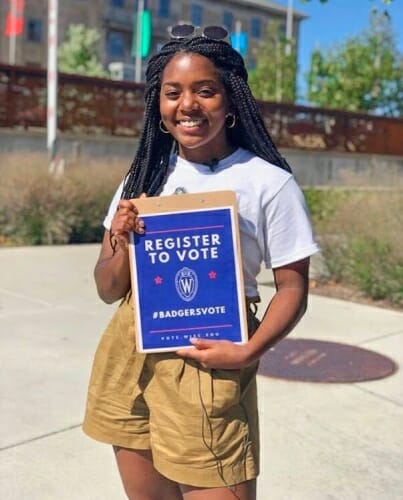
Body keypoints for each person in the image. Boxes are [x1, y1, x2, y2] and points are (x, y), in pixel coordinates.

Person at [83, 24, 319, 500]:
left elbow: (292, 288)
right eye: (173, 93)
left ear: (230, 99)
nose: (187, 105)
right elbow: (108, 288)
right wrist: (121, 240)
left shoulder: (267, 182)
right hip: (131, 352)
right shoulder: (144, 175)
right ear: (159, 105)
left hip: (211, 359)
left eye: (204, 91)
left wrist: (249, 350)